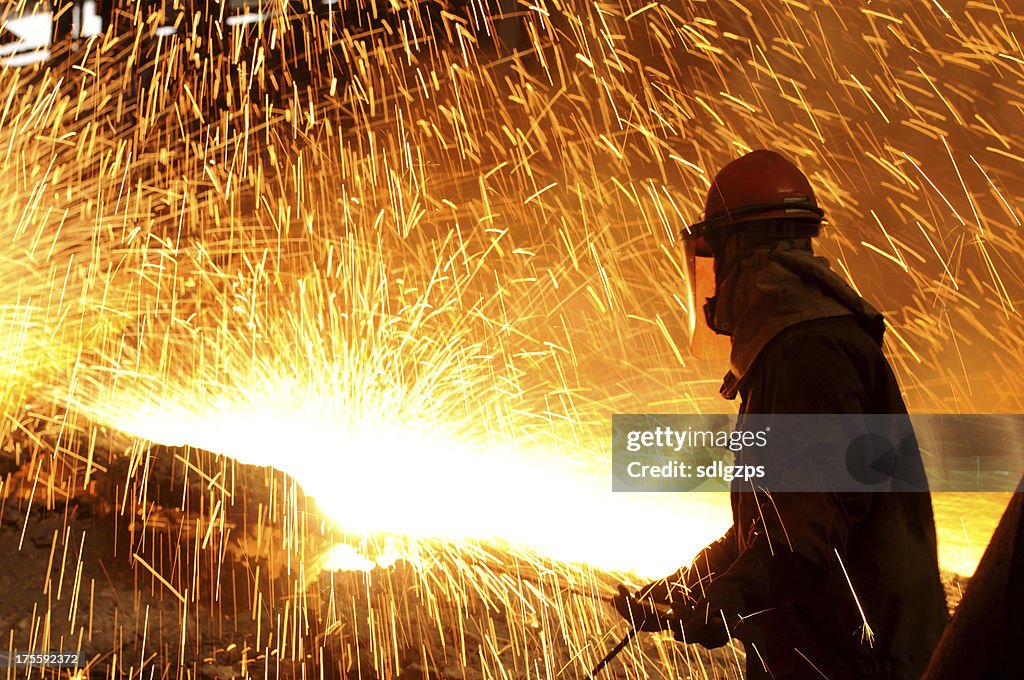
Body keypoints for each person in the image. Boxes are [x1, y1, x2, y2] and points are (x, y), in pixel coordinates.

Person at [616, 150, 949, 678]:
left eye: (717, 259)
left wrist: (722, 605)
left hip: (856, 664)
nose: (712, 285)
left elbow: (803, 539)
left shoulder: (810, 353)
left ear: (742, 253)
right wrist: (683, 590)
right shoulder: (790, 348)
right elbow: (767, 527)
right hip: (828, 655)